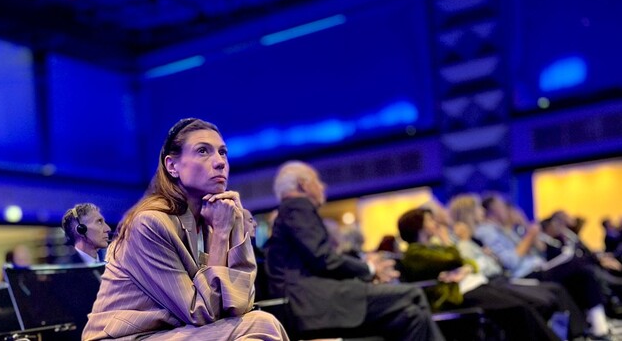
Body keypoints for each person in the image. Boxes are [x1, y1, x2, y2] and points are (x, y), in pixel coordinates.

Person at [82, 118, 288, 340]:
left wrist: (233, 227)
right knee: (261, 325)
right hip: (130, 337)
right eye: (203, 151)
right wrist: (220, 234)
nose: (219, 162)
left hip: (176, 332)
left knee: (261, 323)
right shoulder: (149, 224)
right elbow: (202, 311)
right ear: (172, 166)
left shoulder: (218, 215)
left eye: (222, 152)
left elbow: (240, 303)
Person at [265, 161, 443, 340]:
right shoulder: (297, 207)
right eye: (317, 181)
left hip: (311, 300)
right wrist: (369, 269)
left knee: (413, 316)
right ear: (303, 184)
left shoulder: (289, 212)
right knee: (413, 294)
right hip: (314, 303)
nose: (322, 186)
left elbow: (318, 259)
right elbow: (324, 259)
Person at [397, 207, 560, 340]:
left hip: (470, 285)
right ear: (419, 226)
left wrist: (465, 268)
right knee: (518, 309)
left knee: (525, 306)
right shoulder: (414, 253)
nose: (435, 223)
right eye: (430, 220)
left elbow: (469, 263)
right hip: (455, 296)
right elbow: (455, 259)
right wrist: (447, 241)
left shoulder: (431, 247)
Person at [476, 193, 612, 338]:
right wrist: (529, 236)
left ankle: (597, 326)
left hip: (538, 266)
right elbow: (511, 262)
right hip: (524, 274)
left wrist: (526, 226)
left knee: (582, 270)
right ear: (493, 210)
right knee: (577, 264)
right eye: (502, 206)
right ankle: (596, 328)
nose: (506, 210)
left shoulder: (505, 230)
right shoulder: (487, 231)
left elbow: (540, 251)